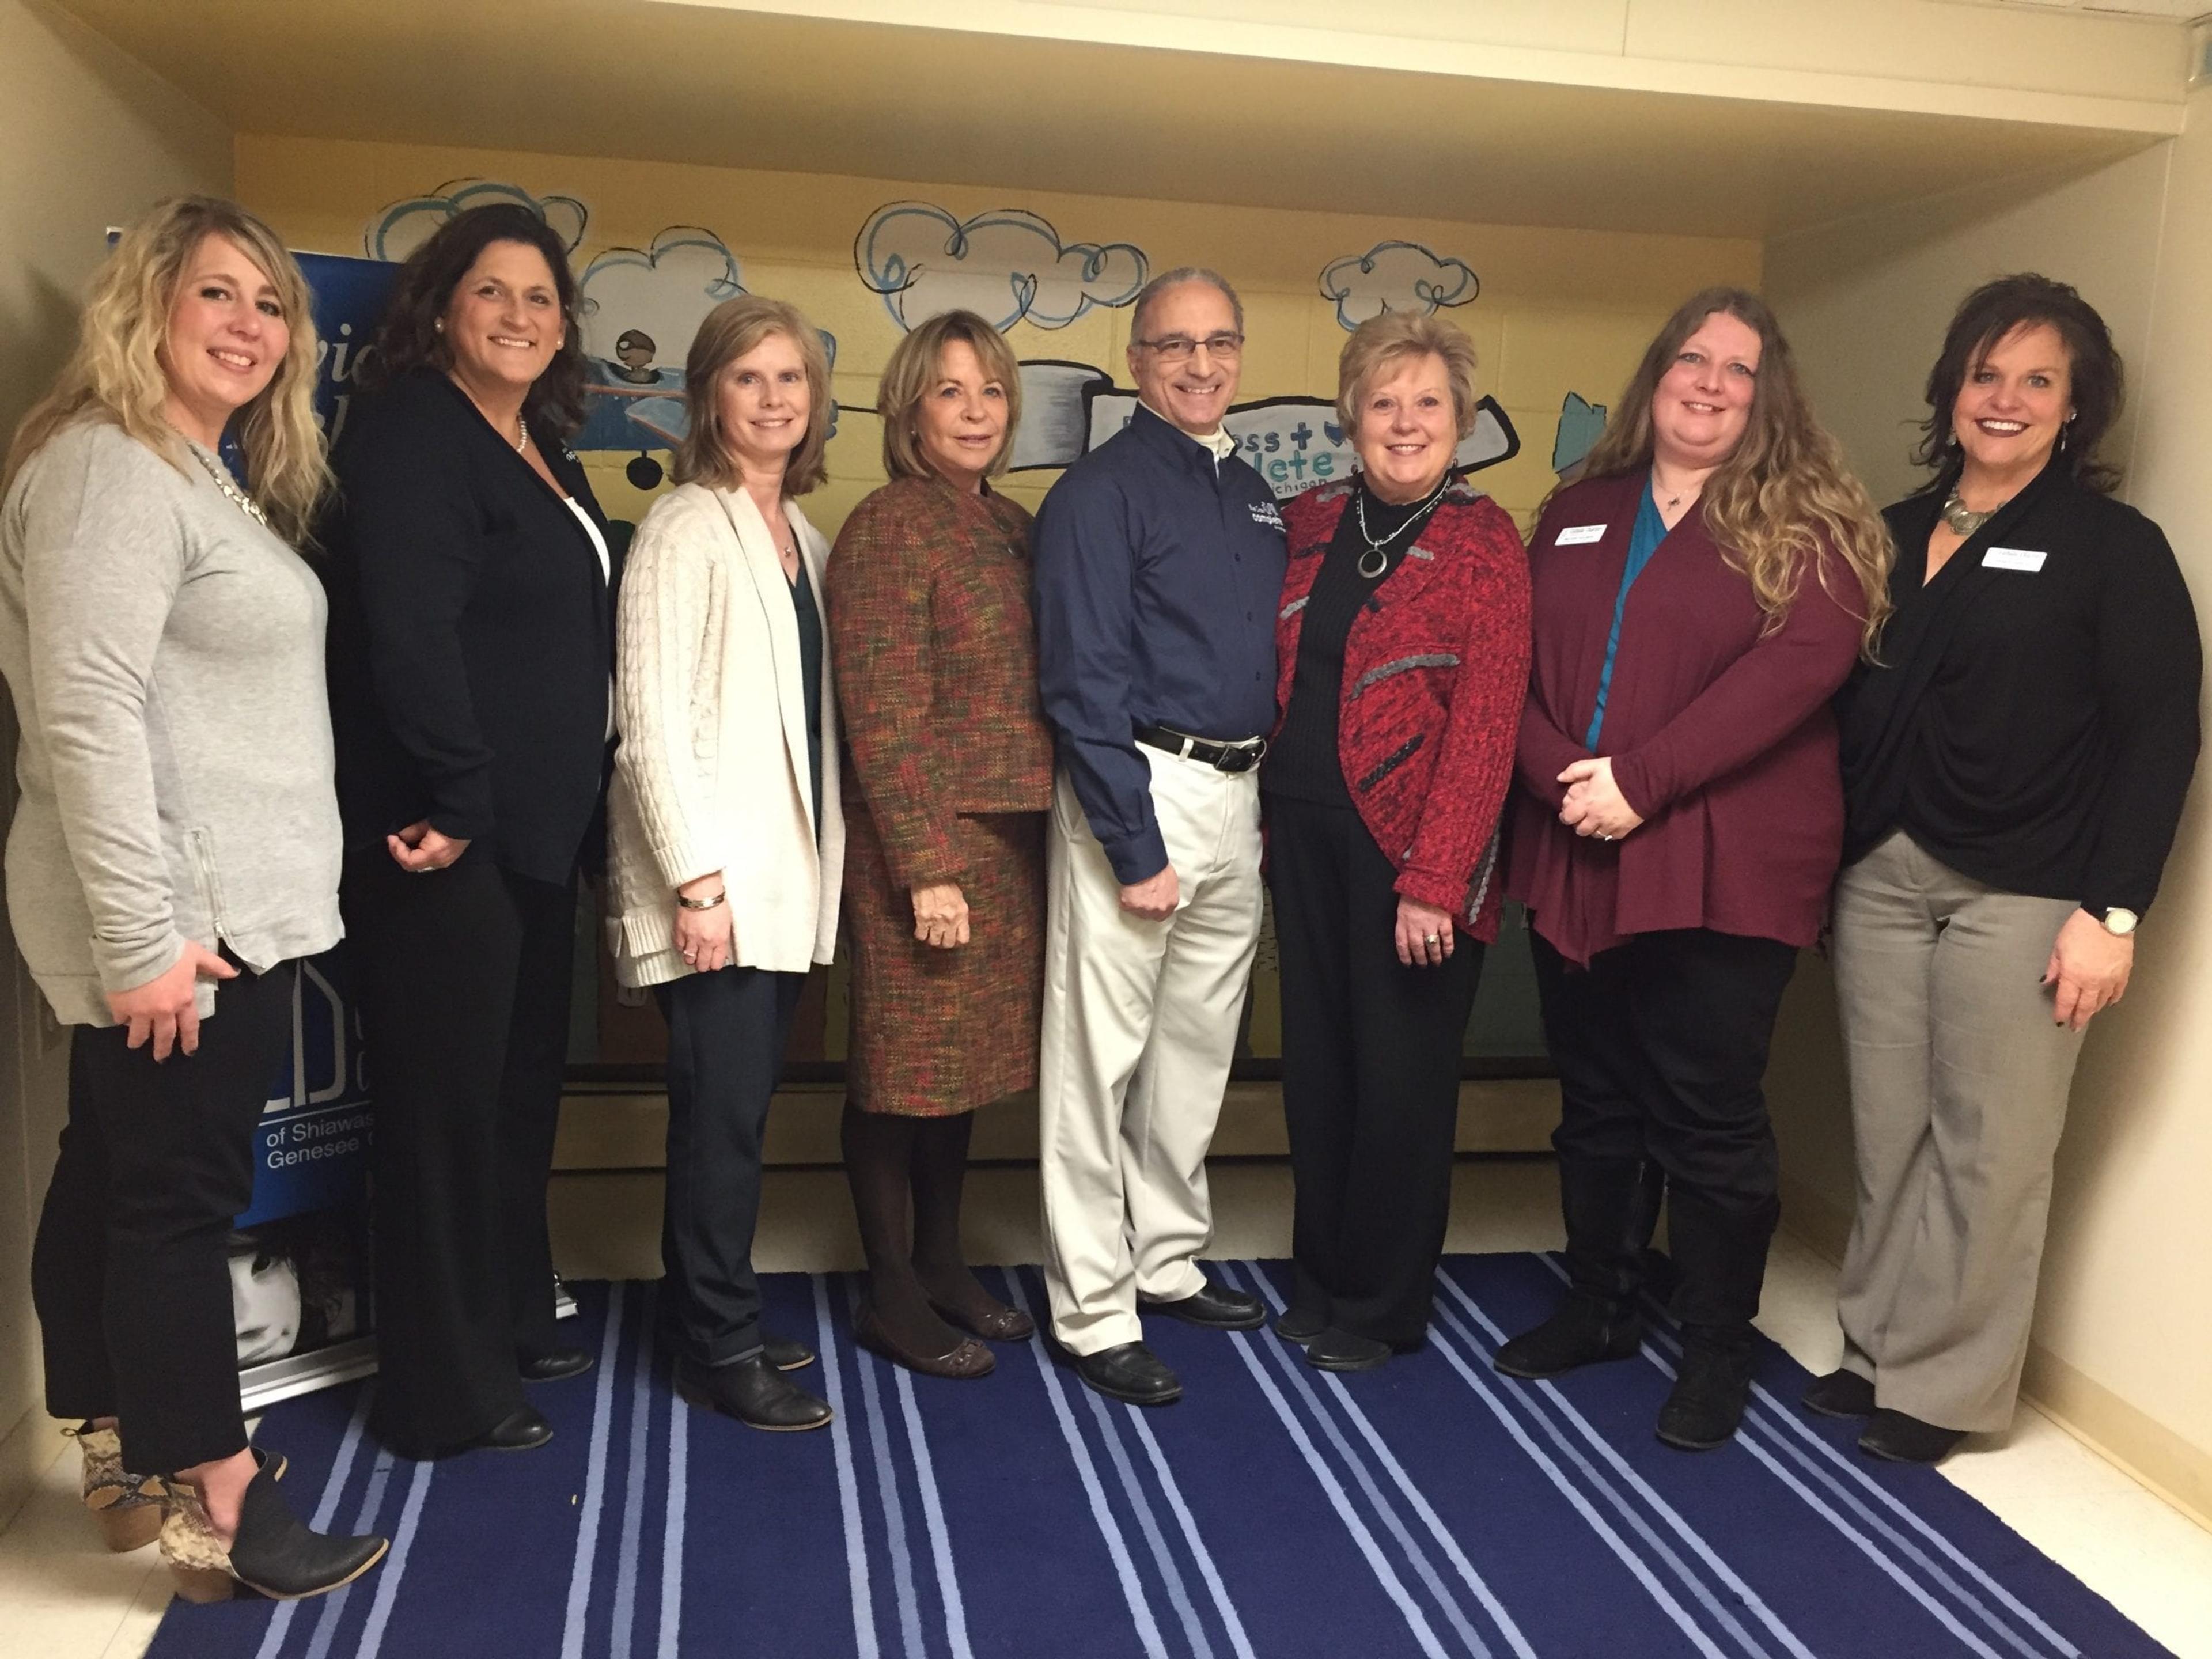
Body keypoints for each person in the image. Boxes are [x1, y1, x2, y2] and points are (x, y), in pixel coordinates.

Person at [3, 196, 385, 1599]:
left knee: (112, 1175)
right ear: (145, 308)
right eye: (215, 294)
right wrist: (143, 939)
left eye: (271, 304)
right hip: (181, 925)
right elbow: (86, 711)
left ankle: (112, 1436)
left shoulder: (194, 475)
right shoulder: (108, 466)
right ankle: (217, 1498)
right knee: (175, 1202)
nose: (248, 325)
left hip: (213, 912)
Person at [1495, 287, 1892, 1451]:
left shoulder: (1811, 526)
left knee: (1707, 1116)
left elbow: (1794, 677)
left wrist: (1640, 783)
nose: (1711, 381)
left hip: (1723, 869)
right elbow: (1508, 663)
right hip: (1577, 849)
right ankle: (1602, 1306)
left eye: (1739, 367)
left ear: (1770, 396)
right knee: (1600, 1103)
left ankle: (1717, 1346)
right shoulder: (1579, 508)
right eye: (1693, 357)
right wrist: (1565, 776)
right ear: (1657, 373)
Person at [1815, 275, 2200, 1464]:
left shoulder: (2113, 549)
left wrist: (2114, 913)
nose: (2007, 399)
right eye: (1988, 374)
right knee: (1892, 1133)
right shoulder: (1885, 532)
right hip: (1882, 873)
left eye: (2039, 381)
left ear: (2076, 409)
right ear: (1953, 389)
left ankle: (1947, 1391)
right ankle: (1880, 1345)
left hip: (2030, 886)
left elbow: (2161, 734)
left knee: (1994, 1145)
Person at [322, 203, 615, 1459]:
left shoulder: (541, 444)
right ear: (442, 308)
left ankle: (497, 1315)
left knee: (512, 1097)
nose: (519, 317)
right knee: (442, 1115)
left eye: (542, 298)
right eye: (492, 292)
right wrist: (454, 798)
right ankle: (438, 1391)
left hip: (533, 838)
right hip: (449, 843)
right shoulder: (411, 437)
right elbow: (409, 634)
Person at [1032, 268, 1288, 1406]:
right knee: (1099, 1063)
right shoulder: (1099, 492)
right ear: (1137, 360)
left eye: (1219, 343)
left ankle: (1165, 1258)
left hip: (1239, 796)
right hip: (1139, 786)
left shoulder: (1253, 488)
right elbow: (1081, 677)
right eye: (1175, 346)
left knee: (1195, 1054)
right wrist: (1133, 845)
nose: (1200, 364)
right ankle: (1093, 1309)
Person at [1264, 312, 1530, 1373]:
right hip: (1300, 837)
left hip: (1414, 857)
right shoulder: (1312, 519)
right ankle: (1322, 1275)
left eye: (1428, 404)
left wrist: (1436, 880)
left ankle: (1381, 1305)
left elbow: (1489, 723)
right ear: (1351, 418)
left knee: (1401, 1084)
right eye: (1384, 403)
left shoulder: (1486, 543)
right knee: (1319, 1070)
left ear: (1461, 421)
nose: (1406, 422)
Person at [606, 294, 841, 1431]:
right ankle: (717, 1345)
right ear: (708, 396)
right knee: (719, 1122)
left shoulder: (805, 538)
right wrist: (695, 885)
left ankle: (714, 1311)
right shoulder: (684, 528)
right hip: (718, 891)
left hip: (779, 888)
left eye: (790, 377)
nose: (773, 398)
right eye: (749, 378)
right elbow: (648, 726)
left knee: (734, 1117)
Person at [828, 311, 1053, 1378]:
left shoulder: (1011, 523)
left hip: (1008, 841)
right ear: (909, 406)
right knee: (898, 1072)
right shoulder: (888, 524)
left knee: (956, 1075)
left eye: (992, 392)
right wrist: (925, 866)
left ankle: (941, 1263)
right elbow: (881, 709)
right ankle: (888, 1293)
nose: (975, 411)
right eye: (951, 391)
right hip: (927, 841)